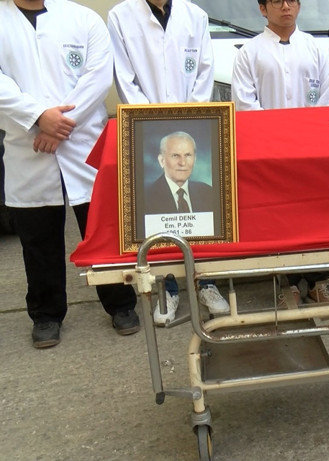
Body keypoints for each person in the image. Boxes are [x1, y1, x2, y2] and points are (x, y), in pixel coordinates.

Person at [0, 0, 140, 348]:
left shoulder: (83, 19)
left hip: (82, 144)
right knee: (38, 238)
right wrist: (38, 116)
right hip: (27, 146)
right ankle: (46, 315)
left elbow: (97, 78)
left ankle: (121, 305)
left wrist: (59, 125)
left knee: (102, 231)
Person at [108, 0, 228, 324]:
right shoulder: (120, 16)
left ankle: (205, 282)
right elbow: (124, 77)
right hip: (144, 124)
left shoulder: (195, 15)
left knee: (203, 216)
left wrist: (190, 114)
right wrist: (152, 118)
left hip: (194, 120)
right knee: (158, 218)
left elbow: (204, 71)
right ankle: (168, 287)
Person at [232, 0, 329, 305]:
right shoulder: (249, 52)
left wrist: (310, 138)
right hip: (271, 151)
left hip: (312, 149)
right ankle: (286, 284)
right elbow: (245, 104)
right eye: (277, 1)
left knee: (315, 216)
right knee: (280, 218)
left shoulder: (316, 49)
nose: (286, 7)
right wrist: (277, 139)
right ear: (262, 9)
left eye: (292, 0)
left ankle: (317, 282)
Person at [145, 131, 214, 215]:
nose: (182, 163)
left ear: (195, 159)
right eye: (175, 155)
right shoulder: (145, 197)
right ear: (162, 161)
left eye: (188, 155)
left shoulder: (208, 193)